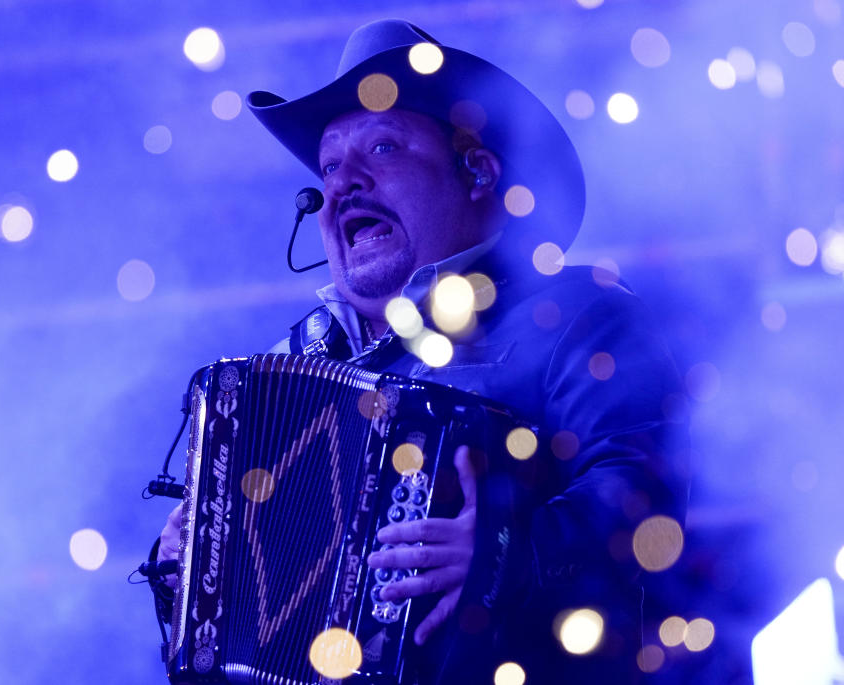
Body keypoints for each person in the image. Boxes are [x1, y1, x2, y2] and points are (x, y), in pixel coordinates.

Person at [155, 18, 688, 684]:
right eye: (327, 169)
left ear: (477, 171)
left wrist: (504, 551)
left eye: (381, 147)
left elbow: (646, 495)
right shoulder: (293, 365)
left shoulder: (577, 314)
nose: (342, 184)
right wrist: (194, 568)